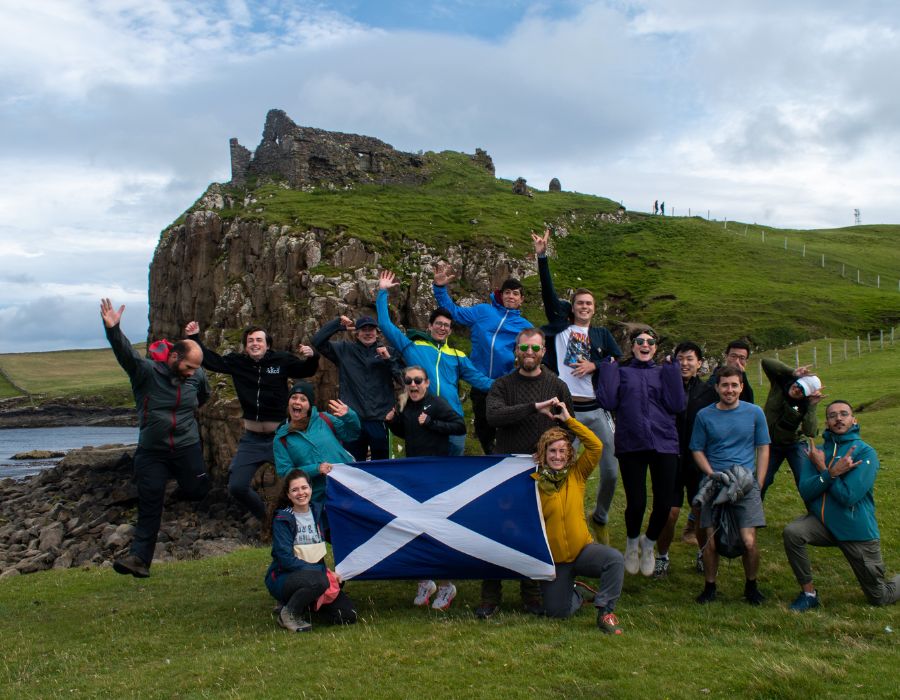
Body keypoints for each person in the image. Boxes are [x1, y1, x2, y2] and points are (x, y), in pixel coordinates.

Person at [101, 298, 209, 578]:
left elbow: (204, 396)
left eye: (196, 368)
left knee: (198, 490)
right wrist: (114, 330)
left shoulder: (196, 377)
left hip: (186, 447)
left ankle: (183, 480)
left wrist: (187, 419)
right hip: (152, 451)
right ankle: (139, 559)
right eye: (188, 368)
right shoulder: (146, 374)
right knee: (150, 502)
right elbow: (126, 354)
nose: (192, 373)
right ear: (174, 358)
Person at [532, 229, 622, 545]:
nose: (584, 307)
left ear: (594, 309)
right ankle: (557, 522)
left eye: (589, 303)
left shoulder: (602, 336)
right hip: (566, 411)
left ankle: (600, 516)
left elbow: (619, 362)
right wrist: (542, 256)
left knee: (610, 471)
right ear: (572, 308)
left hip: (596, 411)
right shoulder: (560, 328)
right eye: (579, 303)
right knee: (557, 468)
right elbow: (546, 292)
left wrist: (596, 364)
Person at [477, 327, 574, 618]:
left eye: (535, 349)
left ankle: (530, 593)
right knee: (497, 531)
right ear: (515, 351)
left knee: (534, 531)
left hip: (542, 471)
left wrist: (551, 452)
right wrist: (534, 407)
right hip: (506, 470)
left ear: (543, 351)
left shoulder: (557, 386)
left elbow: (570, 427)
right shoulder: (502, 385)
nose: (529, 354)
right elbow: (493, 416)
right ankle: (490, 595)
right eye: (523, 349)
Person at [183, 321, 318, 522]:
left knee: (302, 480)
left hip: (280, 438)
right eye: (250, 341)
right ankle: (269, 522)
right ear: (246, 346)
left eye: (259, 340)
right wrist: (194, 338)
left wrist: (312, 357)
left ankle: (312, 523)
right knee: (237, 486)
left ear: (267, 344)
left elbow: (305, 371)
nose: (255, 344)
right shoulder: (238, 362)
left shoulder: (280, 360)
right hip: (252, 440)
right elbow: (210, 361)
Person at [783, 401, 899, 610]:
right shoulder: (816, 453)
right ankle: (809, 594)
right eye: (833, 415)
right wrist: (830, 471)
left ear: (854, 420)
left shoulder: (865, 453)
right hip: (823, 524)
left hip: (855, 530)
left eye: (844, 414)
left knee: (880, 597)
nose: (838, 418)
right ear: (826, 422)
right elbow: (806, 492)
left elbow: (848, 496)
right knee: (793, 532)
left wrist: (824, 473)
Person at [596, 328, 686, 577]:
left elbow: (677, 404)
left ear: (655, 348)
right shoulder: (622, 372)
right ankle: (632, 544)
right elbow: (608, 401)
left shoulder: (663, 371)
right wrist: (609, 370)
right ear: (632, 346)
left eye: (650, 342)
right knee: (636, 502)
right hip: (631, 443)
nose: (645, 345)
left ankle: (649, 544)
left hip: (664, 442)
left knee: (664, 504)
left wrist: (672, 372)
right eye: (639, 341)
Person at [376, 270, 493, 456]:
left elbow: (480, 381)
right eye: (438, 323)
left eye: (446, 325)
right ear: (430, 326)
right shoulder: (412, 347)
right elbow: (384, 324)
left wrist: (510, 385)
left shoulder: (457, 355)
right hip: (422, 418)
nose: (442, 328)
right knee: (424, 471)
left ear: (450, 331)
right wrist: (382, 292)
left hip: (452, 419)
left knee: (453, 476)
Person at [532, 404, 625, 634]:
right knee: (557, 612)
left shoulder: (577, 474)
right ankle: (575, 592)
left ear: (569, 453)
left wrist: (568, 420)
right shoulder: (533, 482)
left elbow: (596, 446)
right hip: (555, 561)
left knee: (614, 560)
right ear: (543, 453)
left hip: (582, 550)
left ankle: (604, 609)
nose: (558, 456)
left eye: (563, 451)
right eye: (552, 451)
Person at [386, 365, 467, 610]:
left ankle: (446, 585)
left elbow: (460, 426)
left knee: (437, 529)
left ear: (427, 382)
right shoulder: (405, 405)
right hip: (414, 474)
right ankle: (425, 581)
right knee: (414, 527)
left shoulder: (437, 403)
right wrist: (391, 423)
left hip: (437, 475)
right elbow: (409, 432)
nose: (413, 385)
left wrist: (432, 422)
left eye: (418, 380)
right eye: (408, 380)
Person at [432, 262, 533, 454]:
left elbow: (528, 355)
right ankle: (491, 458)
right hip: (479, 382)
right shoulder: (484, 311)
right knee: (483, 427)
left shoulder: (524, 326)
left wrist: (513, 376)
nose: (511, 296)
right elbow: (454, 313)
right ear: (501, 295)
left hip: (504, 385)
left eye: (516, 293)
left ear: (521, 299)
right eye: (507, 292)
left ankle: (506, 460)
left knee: (506, 427)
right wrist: (439, 287)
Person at [690, 366, 771, 605]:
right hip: (714, 483)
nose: (729, 390)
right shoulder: (704, 416)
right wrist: (710, 473)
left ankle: (751, 585)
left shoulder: (755, 413)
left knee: (749, 541)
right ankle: (710, 586)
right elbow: (697, 449)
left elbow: (763, 447)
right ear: (716, 387)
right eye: (725, 385)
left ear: (742, 387)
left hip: (745, 483)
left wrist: (759, 482)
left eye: (734, 385)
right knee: (710, 541)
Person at [264, 470, 357, 632]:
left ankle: (306, 605)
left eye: (304, 488)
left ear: (311, 489)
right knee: (320, 580)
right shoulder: (283, 519)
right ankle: (288, 613)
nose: (301, 493)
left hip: (315, 577)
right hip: (284, 576)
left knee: (347, 615)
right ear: (288, 494)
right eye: (295, 490)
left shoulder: (318, 512)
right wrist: (323, 573)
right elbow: (284, 558)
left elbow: (341, 530)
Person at [655, 341, 718, 577]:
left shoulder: (709, 392)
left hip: (698, 460)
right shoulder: (663, 387)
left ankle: (703, 553)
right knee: (669, 513)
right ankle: (662, 556)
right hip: (670, 457)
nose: (685, 363)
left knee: (700, 510)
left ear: (699, 363)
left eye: (690, 359)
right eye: (680, 358)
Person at [311, 314, 402, 461]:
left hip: (381, 420)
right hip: (353, 420)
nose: (368, 333)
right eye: (363, 329)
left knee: (383, 467)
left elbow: (403, 380)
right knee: (353, 466)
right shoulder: (344, 349)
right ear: (356, 333)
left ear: (377, 332)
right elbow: (317, 341)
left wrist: (388, 360)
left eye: (371, 329)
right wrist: (337, 325)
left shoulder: (389, 352)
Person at [273, 382, 360, 505]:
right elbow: (285, 472)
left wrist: (349, 416)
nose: (297, 402)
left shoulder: (324, 419)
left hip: (347, 485)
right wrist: (316, 469)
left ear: (309, 405)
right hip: (317, 497)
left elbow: (352, 434)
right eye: (294, 397)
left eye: (303, 399)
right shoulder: (281, 437)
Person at [760, 358, 824, 499]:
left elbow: (810, 431)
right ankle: (752, 517)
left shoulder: (805, 405)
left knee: (804, 481)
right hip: (770, 444)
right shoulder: (779, 383)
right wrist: (793, 372)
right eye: (798, 385)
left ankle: (817, 515)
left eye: (802, 391)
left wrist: (812, 406)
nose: (796, 390)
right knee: (762, 481)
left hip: (794, 444)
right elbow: (766, 362)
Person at [708, 339, 754, 404]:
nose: (737, 361)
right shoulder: (714, 380)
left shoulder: (745, 383)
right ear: (726, 357)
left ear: (746, 362)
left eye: (742, 358)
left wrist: (743, 375)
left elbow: (749, 404)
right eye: (733, 356)